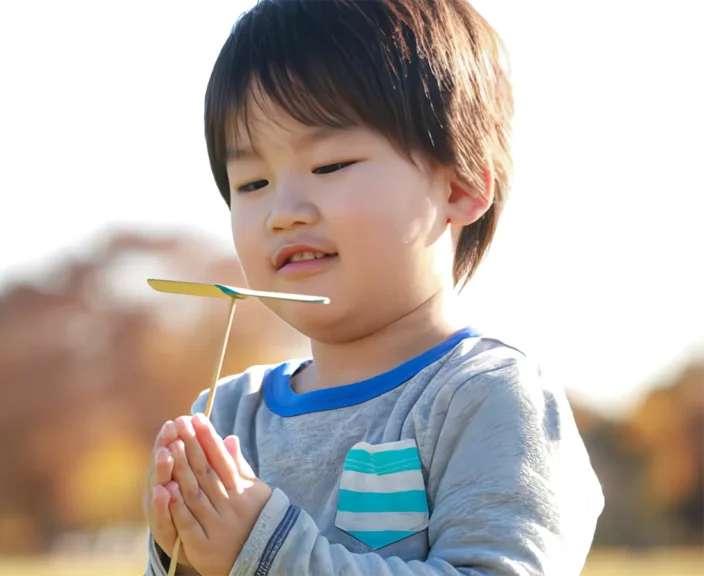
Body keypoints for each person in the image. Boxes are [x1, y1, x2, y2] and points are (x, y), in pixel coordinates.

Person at [142, 0, 604, 574]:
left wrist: (262, 551)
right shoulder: (232, 414)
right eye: (253, 181)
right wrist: (180, 552)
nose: (282, 213)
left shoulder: (484, 399)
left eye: (330, 166)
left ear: (460, 186)